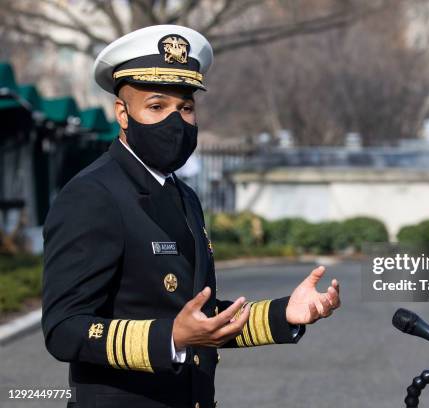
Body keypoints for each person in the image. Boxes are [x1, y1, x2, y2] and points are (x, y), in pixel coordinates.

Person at [41, 25, 341, 408]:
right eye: (156, 106)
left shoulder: (183, 195)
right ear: (123, 113)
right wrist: (171, 337)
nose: (175, 121)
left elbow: (199, 318)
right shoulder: (92, 194)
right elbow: (63, 328)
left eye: (185, 108)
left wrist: (286, 313)